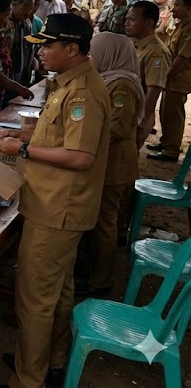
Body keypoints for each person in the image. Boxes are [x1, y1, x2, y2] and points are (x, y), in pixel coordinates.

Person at [0, 14, 109, 388]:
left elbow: (81, 156)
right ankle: (51, 358)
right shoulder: (67, 84)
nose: (41, 53)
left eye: (48, 45)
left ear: (71, 49)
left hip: (58, 210)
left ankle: (28, 378)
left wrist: (24, 147)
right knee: (57, 291)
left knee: (34, 297)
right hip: (56, 205)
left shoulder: (82, 94)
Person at [86, 32, 142, 295]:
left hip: (115, 163)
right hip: (108, 160)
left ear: (109, 53)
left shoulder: (122, 85)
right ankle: (94, 272)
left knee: (104, 221)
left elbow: (117, 128)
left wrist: (82, 139)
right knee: (100, 219)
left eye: (94, 52)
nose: (91, 58)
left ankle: (101, 282)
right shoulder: (110, 79)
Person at [150, 0, 191, 162]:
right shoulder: (181, 25)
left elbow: (182, 58)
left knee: (173, 114)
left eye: (178, 5)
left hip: (178, 78)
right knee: (166, 112)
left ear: (189, 8)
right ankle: (165, 142)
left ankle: (172, 150)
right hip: (172, 78)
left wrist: (166, 74)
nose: (174, 10)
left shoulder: (190, 29)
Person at [126, 1, 171, 147]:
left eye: (132, 20)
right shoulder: (137, 44)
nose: (126, 23)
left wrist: (142, 120)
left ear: (148, 23)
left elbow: (154, 89)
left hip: (138, 114)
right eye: (127, 19)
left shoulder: (156, 52)